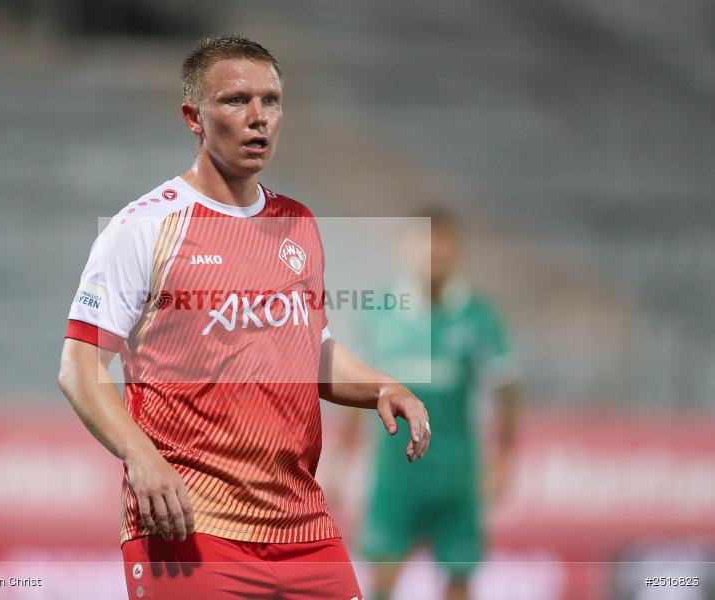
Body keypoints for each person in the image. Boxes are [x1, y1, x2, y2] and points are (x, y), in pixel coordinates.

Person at [57, 35, 431, 599]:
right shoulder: (144, 228)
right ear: (194, 117)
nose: (259, 118)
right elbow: (79, 367)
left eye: (271, 100)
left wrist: (383, 386)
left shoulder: (297, 223)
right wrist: (140, 456)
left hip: (302, 526)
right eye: (236, 100)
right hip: (189, 522)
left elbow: (311, 352)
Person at [337, 209, 521, 600]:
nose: (433, 254)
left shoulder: (479, 316)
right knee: (382, 578)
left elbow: (506, 389)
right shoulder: (380, 311)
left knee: (459, 578)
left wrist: (504, 457)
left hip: (456, 473)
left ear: (457, 251)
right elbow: (356, 388)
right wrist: (342, 455)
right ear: (406, 249)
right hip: (394, 474)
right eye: (424, 244)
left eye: (442, 245)